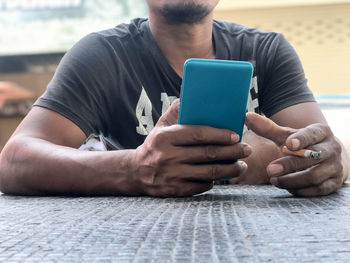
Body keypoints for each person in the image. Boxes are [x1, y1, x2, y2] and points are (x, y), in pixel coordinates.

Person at [0, 0, 348, 197]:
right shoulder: (102, 55)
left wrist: (333, 159)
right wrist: (133, 168)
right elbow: (14, 161)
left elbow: (320, 152)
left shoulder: (268, 50)